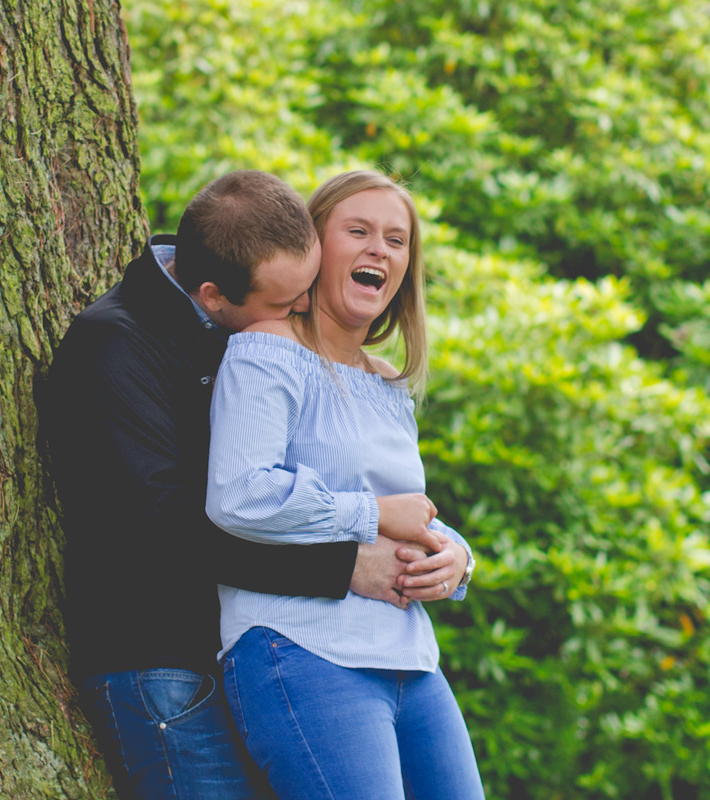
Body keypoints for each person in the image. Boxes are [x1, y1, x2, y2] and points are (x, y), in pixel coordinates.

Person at [43, 170, 445, 800]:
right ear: (212, 296)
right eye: (288, 303)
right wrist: (343, 567)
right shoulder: (117, 346)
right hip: (158, 661)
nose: (301, 311)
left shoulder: (235, 295)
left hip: (223, 648)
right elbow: (164, 527)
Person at [205, 170, 483, 800]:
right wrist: (372, 515)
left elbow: (405, 511)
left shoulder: (387, 382)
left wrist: (457, 558)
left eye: (396, 239)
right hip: (302, 649)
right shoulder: (265, 352)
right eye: (357, 231)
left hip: (411, 659)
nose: (378, 250)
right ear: (313, 249)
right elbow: (240, 494)